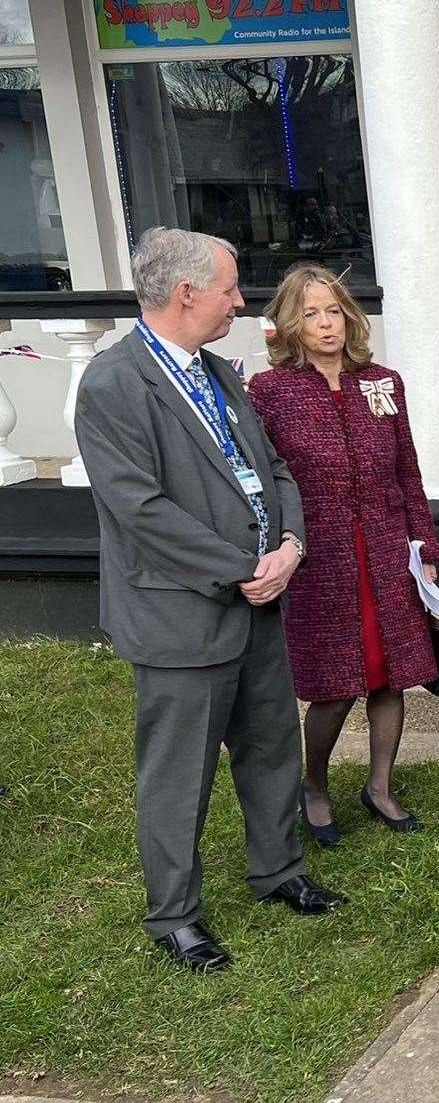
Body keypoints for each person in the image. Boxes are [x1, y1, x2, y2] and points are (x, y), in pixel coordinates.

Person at [74, 227, 345, 974]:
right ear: (186, 293)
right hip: (182, 614)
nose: (240, 300)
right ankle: (174, 916)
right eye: (229, 287)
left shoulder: (219, 371)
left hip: (259, 597)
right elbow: (142, 509)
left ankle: (279, 871)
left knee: (270, 747)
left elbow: (273, 469)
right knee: (177, 773)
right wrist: (240, 568)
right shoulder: (113, 383)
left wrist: (288, 546)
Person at [249, 263, 439, 843]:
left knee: (390, 677)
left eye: (333, 310)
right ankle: (314, 784)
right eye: (310, 313)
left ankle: (380, 787)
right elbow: (263, 477)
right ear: (291, 322)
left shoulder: (382, 381)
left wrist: (425, 547)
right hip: (318, 558)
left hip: (386, 551)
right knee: (333, 686)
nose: (326, 323)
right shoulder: (270, 391)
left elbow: (407, 469)